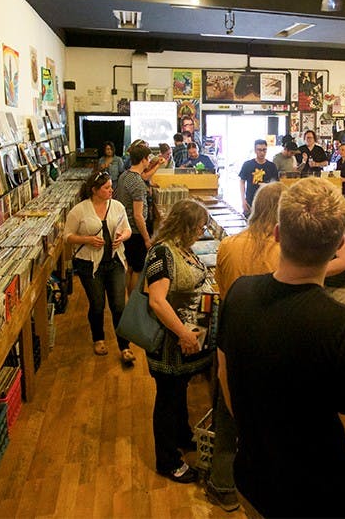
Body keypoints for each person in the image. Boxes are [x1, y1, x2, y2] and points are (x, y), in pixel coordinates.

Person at [217, 178, 345, 518]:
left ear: (277, 234)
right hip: (323, 504)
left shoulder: (239, 294)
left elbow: (226, 377)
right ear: (338, 245)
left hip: (253, 486)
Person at [206, 181, 285, 511]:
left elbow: (222, 291)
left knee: (226, 411)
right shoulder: (285, 250)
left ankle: (222, 484)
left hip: (232, 333)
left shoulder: (228, 244)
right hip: (273, 338)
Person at [143, 198, 212, 484]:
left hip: (183, 342)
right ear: (185, 226)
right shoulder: (162, 253)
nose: (201, 231)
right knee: (168, 398)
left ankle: (183, 436)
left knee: (178, 391)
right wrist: (184, 333)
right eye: (198, 227)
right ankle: (168, 460)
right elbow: (158, 302)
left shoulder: (181, 249)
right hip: (169, 344)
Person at [64, 170, 135, 364]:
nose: (111, 190)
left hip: (115, 263)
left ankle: (124, 346)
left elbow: (128, 229)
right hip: (89, 265)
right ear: (95, 190)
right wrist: (86, 239)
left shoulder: (117, 206)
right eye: (107, 188)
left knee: (119, 305)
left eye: (111, 186)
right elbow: (67, 236)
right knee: (97, 305)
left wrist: (123, 237)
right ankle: (99, 338)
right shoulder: (79, 210)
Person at [116, 142, 154, 295]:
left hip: (125, 227)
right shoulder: (138, 183)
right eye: (148, 158)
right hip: (136, 232)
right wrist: (146, 238)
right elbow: (139, 216)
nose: (149, 161)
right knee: (137, 269)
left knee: (130, 267)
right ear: (143, 159)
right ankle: (133, 302)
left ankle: (127, 297)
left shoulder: (124, 175)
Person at [238, 139, 279, 215]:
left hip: (266, 203)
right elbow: (242, 182)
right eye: (259, 150)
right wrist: (243, 200)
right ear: (255, 150)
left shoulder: (271, 166)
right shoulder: (247, 165)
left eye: (264, 150)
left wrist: (266, 186)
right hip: (250, 202)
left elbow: (276, 185)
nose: (262, 153)